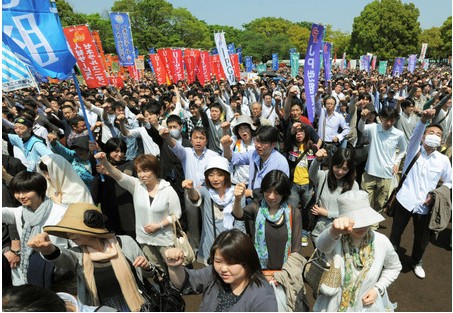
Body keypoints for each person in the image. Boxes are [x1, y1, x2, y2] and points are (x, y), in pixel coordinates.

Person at [28, 203, 156, 312]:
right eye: (67, 230)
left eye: (74, 229)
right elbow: (62, 258)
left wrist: (147, 267)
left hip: (138, 306)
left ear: (91, 230)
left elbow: (151, 276)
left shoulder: (126, 243)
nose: (69, 234)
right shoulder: (78, 254)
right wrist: (48, 249)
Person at [313, 190, 401, 312]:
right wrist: (333, 231)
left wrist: (377, 289)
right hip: (334, 305)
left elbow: (394, 267)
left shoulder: (381, 242)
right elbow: (321, 246)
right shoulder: (336, 239)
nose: (362, 226)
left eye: (365, 219)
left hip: (367, 307)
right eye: (356, 221)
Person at [389, 109, 452, 279]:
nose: (435, 136)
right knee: (396, 232)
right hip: (404, 200)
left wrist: (436, 195)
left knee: (422, 238)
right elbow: (415, 134)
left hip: (426, 206)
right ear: (423, 137)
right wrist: (423, 120)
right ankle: (390, 259)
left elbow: (449, 182)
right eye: (431, 133)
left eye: (438, 134)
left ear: (442, 140)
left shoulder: (443, 160)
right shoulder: (413, 150)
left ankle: (416, 262)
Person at [95, 152, 182, 273]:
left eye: (145, 171)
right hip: (144, 239)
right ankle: (163, 289)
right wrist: (104, 161)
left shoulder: (167, 190)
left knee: (173, 268)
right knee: (156, 270)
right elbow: (118, 175)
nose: (142, 175)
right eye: (139, 171)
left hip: (164, 239)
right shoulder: (136, 186)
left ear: (155, 171)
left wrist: (158, 226)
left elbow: (176, 215)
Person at [233, 170, 306, 311]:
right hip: (259, 276)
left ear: (284, 193)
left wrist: (282, 276)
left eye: (277, 193)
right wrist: (237, 199)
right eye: (267, 191)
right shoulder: (256, 207)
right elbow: (238, 214)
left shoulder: (294, 213)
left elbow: (296, 250)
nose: (271, 197)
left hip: (285, 277)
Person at [164, 229, 278, 311]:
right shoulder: (212, 274)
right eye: (218, 261)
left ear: (247, 261)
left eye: (230, 263)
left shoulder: (262, 297)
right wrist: (174, 267)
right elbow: (184, 283)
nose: (223, 269)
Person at [2, 171, 71, 286]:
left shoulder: (61, 212)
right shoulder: (20, 212)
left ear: (40, 190)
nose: (21, 196)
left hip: (58, 270)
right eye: (17, 192)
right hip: (29, 268)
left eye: (26, 191)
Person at [182, 156, 245, 264]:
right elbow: (195, 196)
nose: (215, 179)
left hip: (231, 244)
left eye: (219, 174)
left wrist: (238, 199)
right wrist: (190, 189)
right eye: (211, 175)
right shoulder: (206, 191)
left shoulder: (236, 192)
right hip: (210, 244)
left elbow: (240, 218)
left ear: (226, 175)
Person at [358, 107, 407, 216]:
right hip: (369, 172)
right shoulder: (373, 128)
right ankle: (365, 223)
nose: (389, 123)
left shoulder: (399, 134)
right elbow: (361, 128)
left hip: (386, 174)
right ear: (380, 118)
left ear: (395, 120)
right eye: (386, 119)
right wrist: (362, 119)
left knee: (380, 202)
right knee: (364, 200)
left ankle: (373, 225)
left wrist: (396, 163)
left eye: (392, 120)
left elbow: (403, 150)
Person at [222, 125, 290, 201]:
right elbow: (232, 158)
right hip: (252, 201)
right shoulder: (253, 154)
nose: (258, 145)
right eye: (256, 140)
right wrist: (226, 147)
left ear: (273, 144)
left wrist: (252, 193)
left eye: (263, 142)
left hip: (270, 204)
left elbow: (281, 190)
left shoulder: (280, 162)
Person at [309, 148, 359, 243]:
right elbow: (312, 173)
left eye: (345, 169)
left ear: (350, 169)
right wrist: (317, 160)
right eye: (337, 167)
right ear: (332, 164)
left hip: (339, 235)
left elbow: (351, 213)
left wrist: (327, 213)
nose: (340, 171)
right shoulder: (323, 176)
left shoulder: (354, 186)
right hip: (318, 232)